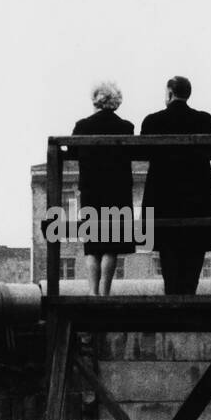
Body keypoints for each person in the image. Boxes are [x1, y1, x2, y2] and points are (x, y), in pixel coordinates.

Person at [139, 75, 211, 295]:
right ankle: (189, 294)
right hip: (197, 195)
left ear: (169, 93)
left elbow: (141, 152)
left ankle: (172, 295)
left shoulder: (153, 121)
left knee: (168, 248)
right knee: (195, 248)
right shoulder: (204, 120)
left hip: (163, 194)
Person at [72, 80, 137, 296]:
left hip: (91, 189)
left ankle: (92, 291)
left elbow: (72, 153)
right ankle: (106, 291)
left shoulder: (82, 126)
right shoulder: (126, 127)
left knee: (92, 245)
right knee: (111, 245)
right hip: (117, 190)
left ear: (96, 99)